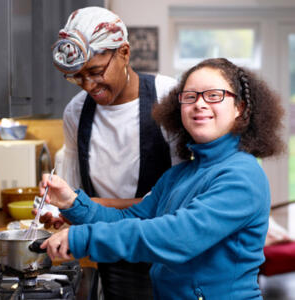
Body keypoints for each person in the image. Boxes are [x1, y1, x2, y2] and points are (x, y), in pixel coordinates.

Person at [40, 58, 285, 299]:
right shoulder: (179, 174)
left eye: (213, 95)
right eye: (190, 96)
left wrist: (83, 237)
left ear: (239, 108)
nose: (199, 104)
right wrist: (72, 202)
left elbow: (177, 237)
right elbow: (128, 218)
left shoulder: (243, 175)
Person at [43, 5, 178, 300]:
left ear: (125, 53)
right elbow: (74, 184)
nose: (89, 86)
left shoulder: (168, 98)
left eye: (95, 71)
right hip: (110, 250)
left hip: (166, 253)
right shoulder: (76, 112)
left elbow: (177, 201)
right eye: (77, 77)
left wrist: (85, 205)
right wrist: (61, 209)